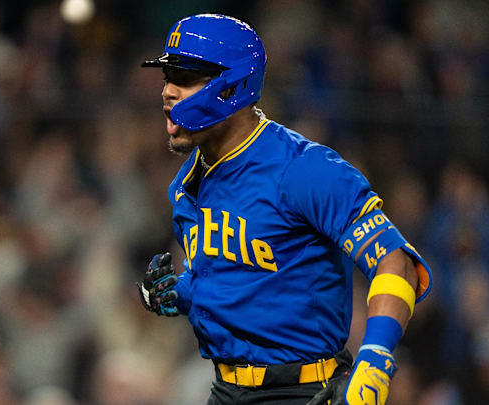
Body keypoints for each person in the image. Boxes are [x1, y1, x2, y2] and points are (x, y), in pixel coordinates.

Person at [137, 14, 432, 405]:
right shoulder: (187, 183)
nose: (168, 92)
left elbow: (396, 261)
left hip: (302, 392)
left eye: (185, 76)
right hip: (225, 391)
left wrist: (376, 356)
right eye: (167, 77)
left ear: (231, 87)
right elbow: (249, 279)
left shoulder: (304, 170)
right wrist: (184, 293)